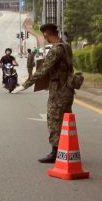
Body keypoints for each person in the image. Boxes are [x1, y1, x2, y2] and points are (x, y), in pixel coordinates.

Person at [22, 24, 75, 163]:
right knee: (64, 121)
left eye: (44, 36)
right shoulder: (66, 46)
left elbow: (43, 69)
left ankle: (55, 152)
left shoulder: (56, 49)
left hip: (58, 90)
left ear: (46, 35)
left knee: (54, 120)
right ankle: (65, 150)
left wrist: (26, 83)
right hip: (68, 88)